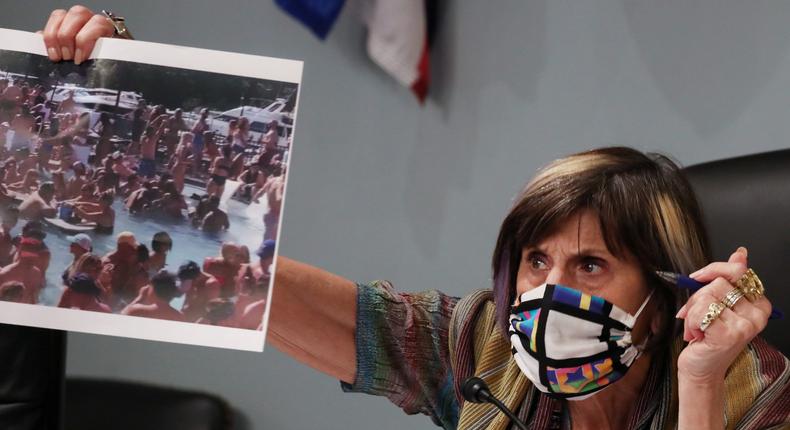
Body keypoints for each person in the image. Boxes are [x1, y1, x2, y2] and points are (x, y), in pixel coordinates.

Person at [42, 8, 789, 430]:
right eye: (535, 261)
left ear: (665, 294)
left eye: (588, 265)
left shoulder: (752, 389)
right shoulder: (487, 345)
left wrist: (698, 383)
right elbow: (255, 289)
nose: (546, 291)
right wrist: (134, 97)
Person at [120, 270, 185, 322]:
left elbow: (118, 321)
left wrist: (140, 297)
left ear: (153, 289)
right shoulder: (180, 317)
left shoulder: (137, 310)